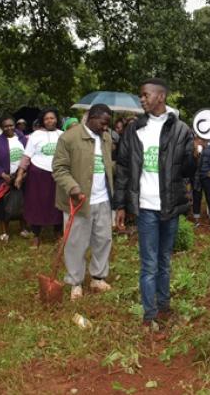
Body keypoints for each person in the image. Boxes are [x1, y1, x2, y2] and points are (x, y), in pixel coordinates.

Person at [114, 79, 196, 330]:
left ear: (160, 97)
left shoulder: (181, 130)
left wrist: (195, 155)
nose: (142, 99)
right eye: (141, 95)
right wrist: (120, 205)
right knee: (149, 263)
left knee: (164, 260)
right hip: (146, 206)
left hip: (169, 205)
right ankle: (149, 315)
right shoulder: (134, 129)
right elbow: (124, 169)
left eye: (145, 95)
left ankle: (164, 306)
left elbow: (187, 171)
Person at [52, 104, 115, 299]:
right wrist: (73, 187)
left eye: (108, 124)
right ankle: (75, 282)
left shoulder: (105, 137)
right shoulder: (69, 137)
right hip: (78, 200)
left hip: (103, 198)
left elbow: (107, 164)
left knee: (103, 239)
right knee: (75, 243)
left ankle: (98, 277)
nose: (106, 127)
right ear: (91, 118)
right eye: (103, 123)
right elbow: (59, 168)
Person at [15, 108, 63, 248]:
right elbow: (26, 156)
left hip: (57, 175)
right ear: (42, 120)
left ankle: (57, 233)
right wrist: (19, 174)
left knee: (57, 204)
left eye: (52, 118)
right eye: (47, 118)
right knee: (37, 204)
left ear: (56, 119)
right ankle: (36, 236)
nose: (49, 121)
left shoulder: (63, 135)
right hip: (38, 175)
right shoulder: (35, 135)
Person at [0, 116, 29, 241]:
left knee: (23, 205)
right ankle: (4, 232)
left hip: (22, 177)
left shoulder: (22, 139)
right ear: (2, 127)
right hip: (4, 179)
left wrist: (23, 174)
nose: (9, 128)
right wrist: (3, 175)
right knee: (3, 207)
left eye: (11, 125)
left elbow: (29, 156)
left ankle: (23, 229)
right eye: (6, 126)